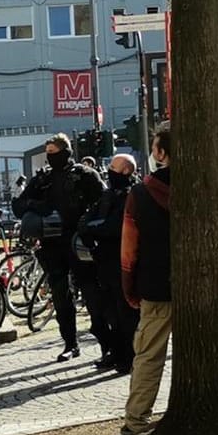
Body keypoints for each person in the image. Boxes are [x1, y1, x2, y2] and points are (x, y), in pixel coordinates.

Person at [14, 134, 104, 363]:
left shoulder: (84, 175)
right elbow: (19, 205)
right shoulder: (42, 179)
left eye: (54, 152)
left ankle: (106, 343)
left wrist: (89, 223)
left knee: (92, 292)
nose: (51, 157)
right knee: (61, 295)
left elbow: (105, 201)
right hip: (53, 244)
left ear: (66, 152)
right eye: (48, 153)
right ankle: (70, 344)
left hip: (79, 241)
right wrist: (37, 206)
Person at [121, 128, 174, 435]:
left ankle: (136, 421)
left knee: (148, 355)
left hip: (155, 283)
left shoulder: (141, 194)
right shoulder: (203, 185)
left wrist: (129, 286)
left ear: (160, 153)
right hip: (204, 282)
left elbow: (129, 248)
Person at [82, 154, 138, 373]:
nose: (109, 171)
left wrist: (96, 229)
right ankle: (114, 352)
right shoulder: (106, 195)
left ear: (126, 171)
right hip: (102, 261)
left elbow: (115, 227)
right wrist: (92, 230)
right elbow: (86, 221)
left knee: (125, 314)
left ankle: (128, 356)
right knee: (107, 312)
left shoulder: (131, 195)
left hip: (122, 262)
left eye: (114, 167)